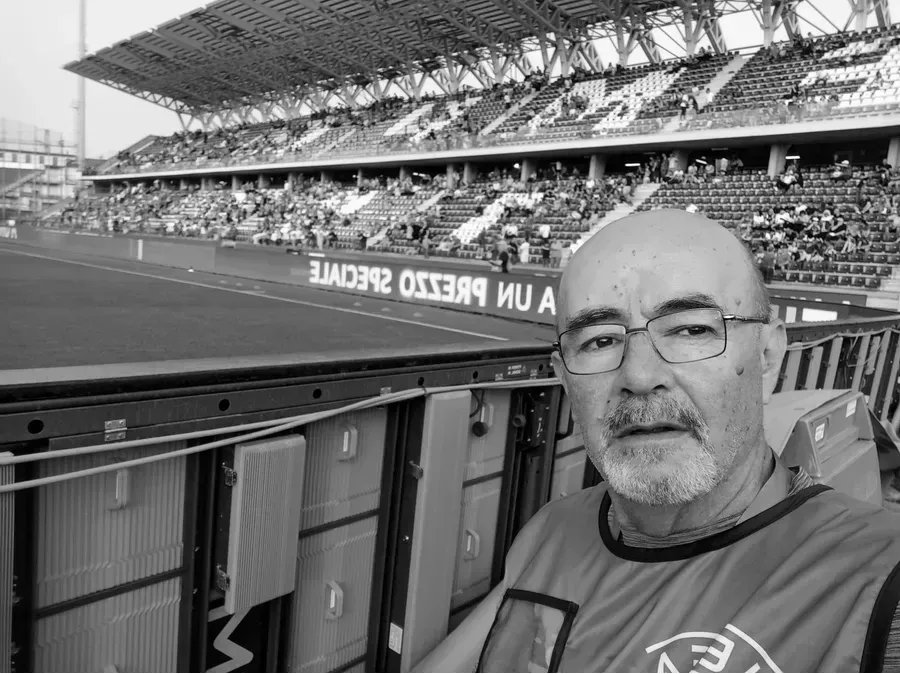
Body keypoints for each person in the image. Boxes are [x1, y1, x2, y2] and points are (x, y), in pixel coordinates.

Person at [409, 210, 900, 674]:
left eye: (690, 329)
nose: (640, 376)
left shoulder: (878, 583)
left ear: (768, 357)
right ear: (564, 379)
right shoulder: (550, 532)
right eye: (600, 341)